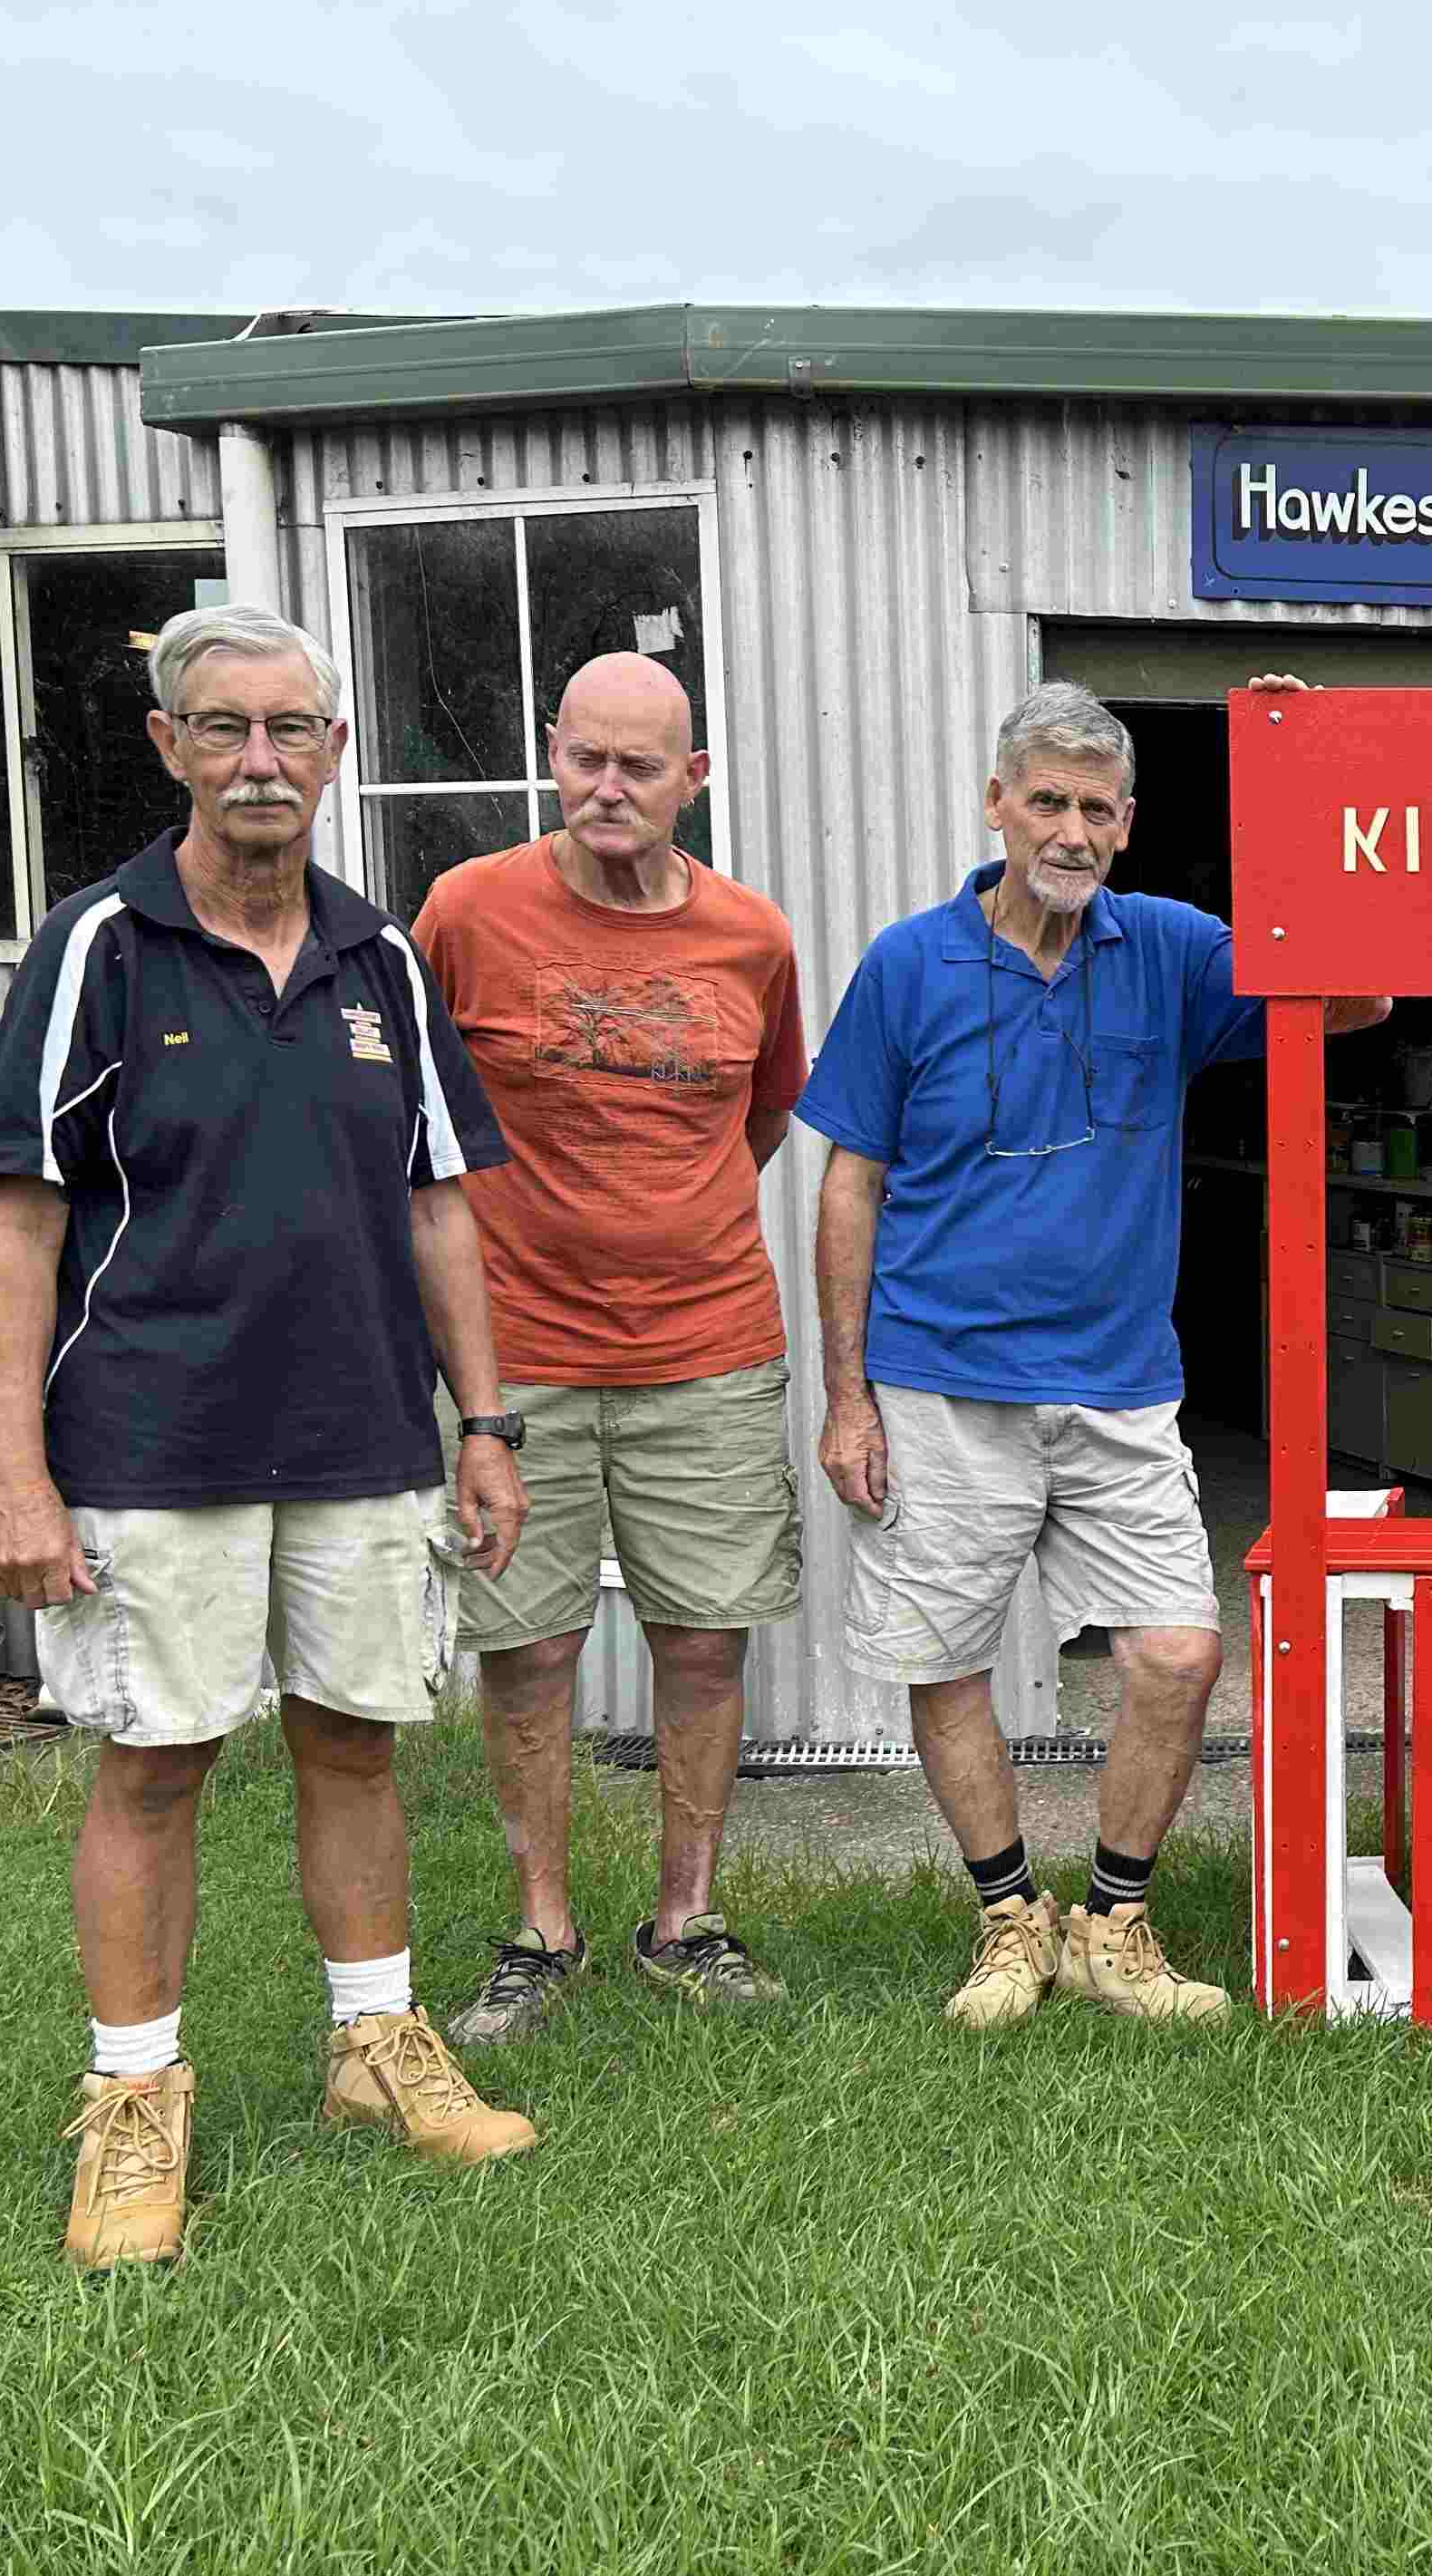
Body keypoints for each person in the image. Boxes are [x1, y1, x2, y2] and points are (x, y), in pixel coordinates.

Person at [0, 604, 537, 2273]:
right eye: (224, 728)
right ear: (170, 748)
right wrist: (15, 1467)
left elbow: (439, 1206)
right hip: (150, 1434)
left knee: (357, 1738)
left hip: (364, 1431)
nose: (261, 760)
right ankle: (135, 2095)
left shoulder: (385, 960)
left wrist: (484, 1421)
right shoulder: (97, 948)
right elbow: (18, 1223)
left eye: (291, 728)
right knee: (156, 1760)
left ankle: (377, 2044)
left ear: (337, 751)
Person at [799, 680, 1390, 2030]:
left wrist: (1315, 783)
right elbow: (852, 1183)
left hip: (1121, 1383)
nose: (1070, 829)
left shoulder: (1172, 950)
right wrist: (846, 1394)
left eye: (1097, 809)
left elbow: (1357, 994)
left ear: (1129, 826)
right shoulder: (909, 963)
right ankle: (1010, 1921)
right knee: (943, 1658)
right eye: (1047, 801)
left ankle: (1116, 1923)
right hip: (939, 1380)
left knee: (1177, 1654)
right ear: (998, 805)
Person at [414, 653, 809, 2045]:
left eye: (641, 765)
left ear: (690, 781)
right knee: (527, 1648)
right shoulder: (466, 912)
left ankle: (687, 1918)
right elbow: (421, 1124)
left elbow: (761, 1121)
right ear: (553, 757)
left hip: (705, 1344)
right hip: (512, 1352)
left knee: (704, 1640)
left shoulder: (751, 937)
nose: (608, 788)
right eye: (585, 757)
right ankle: (542, 1930)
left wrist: (663, 1220)